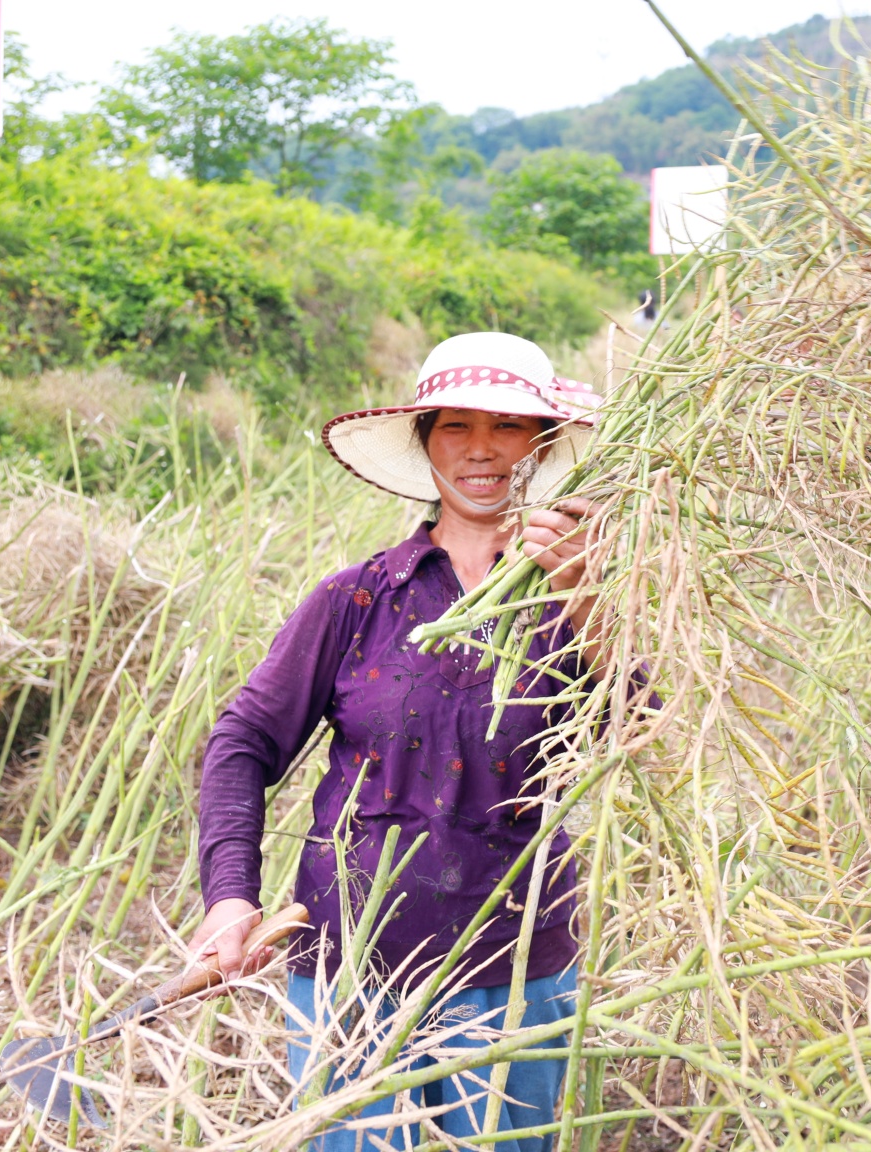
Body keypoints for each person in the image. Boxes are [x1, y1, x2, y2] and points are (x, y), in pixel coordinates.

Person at [193, 331, 605, 1152]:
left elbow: (652, 736)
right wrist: (231, 895)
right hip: (352, 974)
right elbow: (241, 743)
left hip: (518, 975)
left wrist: (590, 600)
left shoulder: (589, 596)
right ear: (426, 445)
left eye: (510, 427)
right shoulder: (359, 599)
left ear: (546, 443)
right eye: (456, 426)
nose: (482, 451)